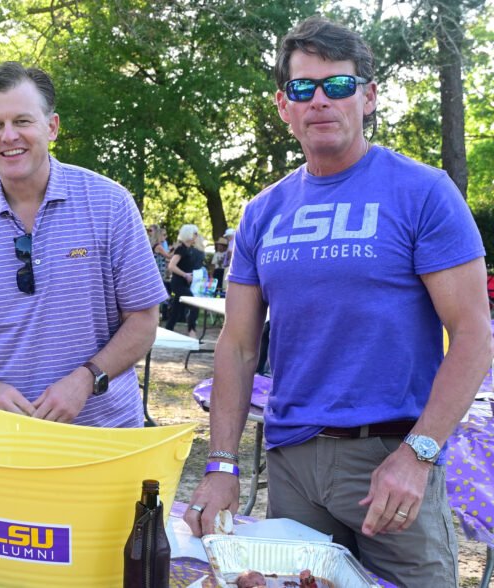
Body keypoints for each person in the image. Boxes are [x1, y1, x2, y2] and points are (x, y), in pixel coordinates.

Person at [184, 17, 491, 587]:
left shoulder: (423, 191)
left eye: (338, 85)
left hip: (390, 458)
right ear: (284, 106)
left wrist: (418, 455)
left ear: (368, 96)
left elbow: (474, 333)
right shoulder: (262, 212)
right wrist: (222, 463)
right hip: (293, 461)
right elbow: (239, 343)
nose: (320, 100)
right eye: (303, 88)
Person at [0, 62, 166, 428]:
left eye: (22, 121)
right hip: (10, 436)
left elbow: (144, 319)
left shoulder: (109, 204)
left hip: (106, 435)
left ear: (51, 127)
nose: (8, 136)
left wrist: (87, 379)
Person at [164, 224, 204, 338]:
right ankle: (192, 330)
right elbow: (171, 266)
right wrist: (185, 275)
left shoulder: (190, 249)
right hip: (178, 283)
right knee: (194, 303)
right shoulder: (181, 248)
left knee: (177, 308)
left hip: (185, 283)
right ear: (189, 234)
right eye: (195, 233)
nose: (197, 236)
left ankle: (169, 329)